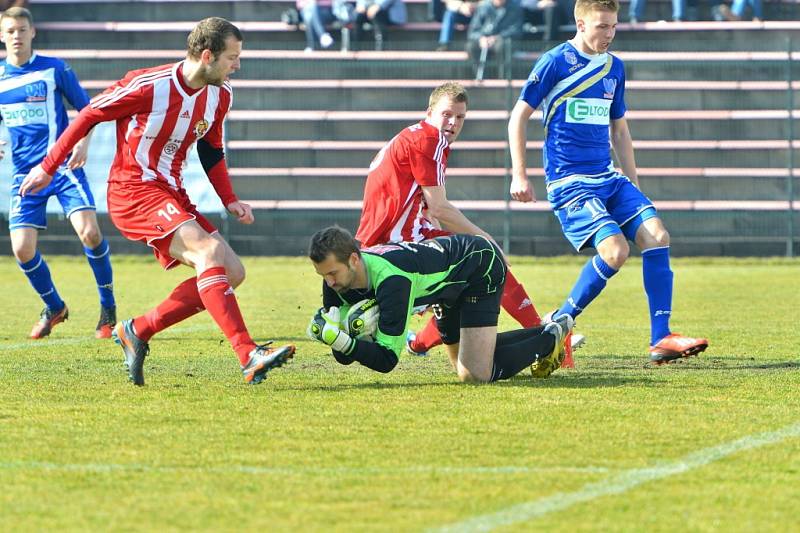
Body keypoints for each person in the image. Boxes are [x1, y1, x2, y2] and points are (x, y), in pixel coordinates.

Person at [19, 17, 295, 385]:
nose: (237, 65)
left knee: (233, 272)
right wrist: (48, 168)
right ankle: (247, 353)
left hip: (170, 191)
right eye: (232, 57)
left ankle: (138, 329)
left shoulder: (220, 94)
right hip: (133, 190)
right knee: (208, 255)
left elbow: (211, 149)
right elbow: (89, 113)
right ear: (207, 55)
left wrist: (230, 199)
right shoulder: (149, 84)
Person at [507, 0, 709, 364]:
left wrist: (633, 183)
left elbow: (619, 128)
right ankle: (560, 320)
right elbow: (518, 117)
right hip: (570, 182)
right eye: (602, 26)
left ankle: (661, 338)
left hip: (609, 179)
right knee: (616, 252)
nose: (609, 34)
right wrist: (519, 173)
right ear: (581, 24)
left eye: (613, 26)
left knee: (657, 235)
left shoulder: (615, 67)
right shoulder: (555, 62)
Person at [354, 81, 584, 363]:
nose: (453, 123)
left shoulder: (412, 136)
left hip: (381, 242)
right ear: (430, 112)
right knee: (485, 258)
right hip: (398, 243)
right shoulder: (430, 139)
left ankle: (422, 343)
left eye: (460, 117)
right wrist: (487, 239)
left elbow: (419, 202)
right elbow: (439, 207)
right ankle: (547, 337)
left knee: (466, 275)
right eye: (447, 114)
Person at [307, 226, 574, 381]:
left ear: (354, 260)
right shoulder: (335, 280)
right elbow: (344, 357)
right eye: (323, 275)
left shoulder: (392, 281)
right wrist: (335, 336)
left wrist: (339, 339)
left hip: (478, 267)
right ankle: (545, 332)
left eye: (332, 273)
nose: (329, 283)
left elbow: (387, 360)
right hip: (445, 286)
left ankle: (550, 335)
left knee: (475, 374)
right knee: (462, 362)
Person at [0, 7, 116, 340]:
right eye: (10, 31)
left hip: (62, 167)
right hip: (24, 174)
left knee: (90, 233)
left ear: (33, 32)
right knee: (22, 249)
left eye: (22, 30)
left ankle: (107, 309)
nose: (17, 36)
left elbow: (90, 112)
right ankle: (54, 307)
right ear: (2, 35)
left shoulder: (54, 69)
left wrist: (83, 143)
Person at [465, 0, 523, 79]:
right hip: (484, 39)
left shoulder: (515, 7)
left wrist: (497, 37)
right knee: (471, 46)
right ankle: (481, 79)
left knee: (502, 46)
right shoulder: (483, 7)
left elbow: (516, 29)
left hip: (503, 39)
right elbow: (473, 31)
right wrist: (481, 38)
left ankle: (503, 79)